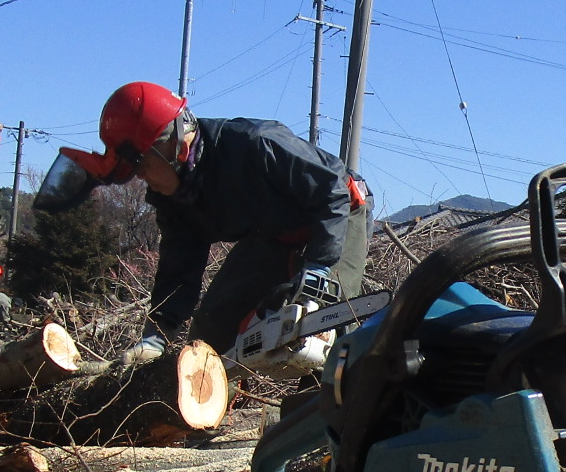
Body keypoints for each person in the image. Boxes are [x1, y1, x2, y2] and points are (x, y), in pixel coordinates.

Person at [38, 81, 369, 363]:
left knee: (328, 326)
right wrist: (158, 333)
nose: (142, 178)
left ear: (171, 142)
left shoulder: (253, 143)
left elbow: (330, 189)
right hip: (273, 233)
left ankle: (333, 424)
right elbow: (178, 270)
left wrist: (319, 267)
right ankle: (201, 419)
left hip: (336, 212)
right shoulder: (175, 199)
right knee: (211, 328)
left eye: (143, 166)